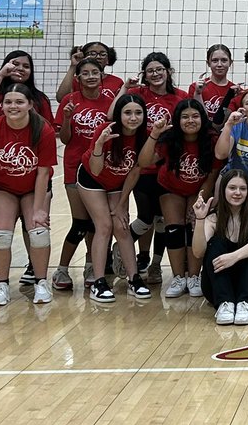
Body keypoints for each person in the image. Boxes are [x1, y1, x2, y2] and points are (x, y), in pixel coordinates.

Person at [0, 83, 57, 307]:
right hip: (1, 186)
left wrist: (40, 209)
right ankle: (2, 284)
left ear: (30, 105)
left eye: (19, 102)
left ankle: (41, 283)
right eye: (8, 102)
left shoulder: (43, 129)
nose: (14, 106)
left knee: (39, 232)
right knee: (1, 235)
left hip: (33, 186)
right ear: (1, 106)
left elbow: (43, 173)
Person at [138, 98, 220, 300]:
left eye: (194, 116)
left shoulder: (211, 139)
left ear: (202, 118)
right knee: (174, 230)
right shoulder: (169, 138)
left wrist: (200, 199)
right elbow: (144, 162)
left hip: (198, 188)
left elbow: (212, 175)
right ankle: (178, 277)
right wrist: (155, 134)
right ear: (177, 120)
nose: (190, 120)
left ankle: (193, 276)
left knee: (194, 227)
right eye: (184, 117)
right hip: (171, 187)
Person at [80, 94, 151, 302]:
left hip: (118, 182)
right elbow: (95, 168)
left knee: (121, 226)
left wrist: (121, 205)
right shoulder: (106, 131)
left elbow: (135, 171)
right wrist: (99, 146)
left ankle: (134, 279)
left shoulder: (144, 136)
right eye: (127, 113)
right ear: (119, 115)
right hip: (92, 178)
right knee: (104, 226)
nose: (133, 117)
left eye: (138, 113)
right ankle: (99, 282)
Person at [122, 51, 182, 283]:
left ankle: (156, 264)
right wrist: (124, 89)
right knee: (145, 217)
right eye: (150, 70)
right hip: (142, 167)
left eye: (160, 69)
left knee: (162, 221)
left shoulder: (179, 97)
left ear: (168, 71)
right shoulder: (137, 95)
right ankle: (128, 248)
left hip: (167, 168)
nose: (156, 74)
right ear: (144, 75)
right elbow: (117, 114)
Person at [53, 57, 110, 292]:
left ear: (102, 75)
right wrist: (67, 118)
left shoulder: (110, 101)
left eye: (94, 72)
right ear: (78, 78)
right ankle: (62, 268)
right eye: (85, 73)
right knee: (80, 222)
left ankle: (90, 265)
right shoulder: (69, 100)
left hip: (101, 167)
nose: (90, 76)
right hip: (74, 166)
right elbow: (65, 139)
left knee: (96, 224)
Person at [192, 169, 248, 326]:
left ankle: (246, 304)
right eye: (232, 188)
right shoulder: (213, 218)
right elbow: (198, 252)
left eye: (242, 189)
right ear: (223, 190)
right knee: (214, 243)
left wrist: (235, 256)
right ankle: (225, 304)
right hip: (217, 287)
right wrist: (200, 219)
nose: (237, 192)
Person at [190, 43, 239, 128]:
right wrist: (198, 93)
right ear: (208, 63)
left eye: (224, 60)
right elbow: (195, 116)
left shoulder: (235, 91)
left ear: (230, 62)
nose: (219, 64)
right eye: (215, 60)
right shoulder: (195, 87)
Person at [56, 41, 121, 100]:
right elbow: (61, 98)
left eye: (103, 54)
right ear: (84, 57)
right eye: (92, 53)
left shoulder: (117, 82)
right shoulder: (76, 80)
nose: (98, 57)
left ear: (108, 60)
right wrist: (73, 66)